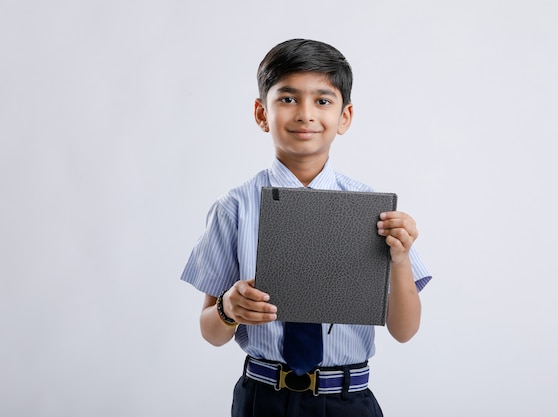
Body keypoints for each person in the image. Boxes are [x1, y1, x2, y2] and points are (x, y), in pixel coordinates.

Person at [181, 38, 432, 417]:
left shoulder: (374, 213)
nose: (305, 114)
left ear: (344, 117)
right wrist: (228, 309)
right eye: (287, 99)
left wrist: (399, 258)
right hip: (262, 397)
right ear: (261, 113)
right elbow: (211, 332)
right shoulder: (235, 208)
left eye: (322, 100)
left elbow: (404, 330)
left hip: (349, 398)